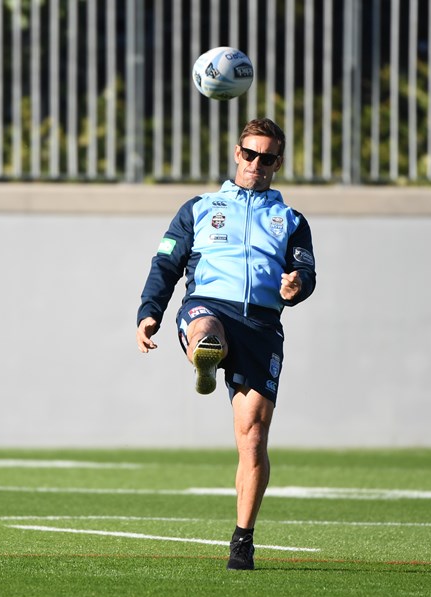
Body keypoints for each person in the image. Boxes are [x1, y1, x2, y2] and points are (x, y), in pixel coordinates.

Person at [135, 118, 316, 571]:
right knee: (207, 330)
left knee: (252, 438)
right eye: (250, 154)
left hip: (262, 324)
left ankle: (243, 539)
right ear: (237, 153)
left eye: (267, 157)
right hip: (209, 304)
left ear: (278, 163)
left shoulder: (291, 221)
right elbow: (165, 263)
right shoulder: (200, 207)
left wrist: (297, 285)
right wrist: (149, 311)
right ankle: (206, 357)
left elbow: (306, 272)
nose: (257, 163)